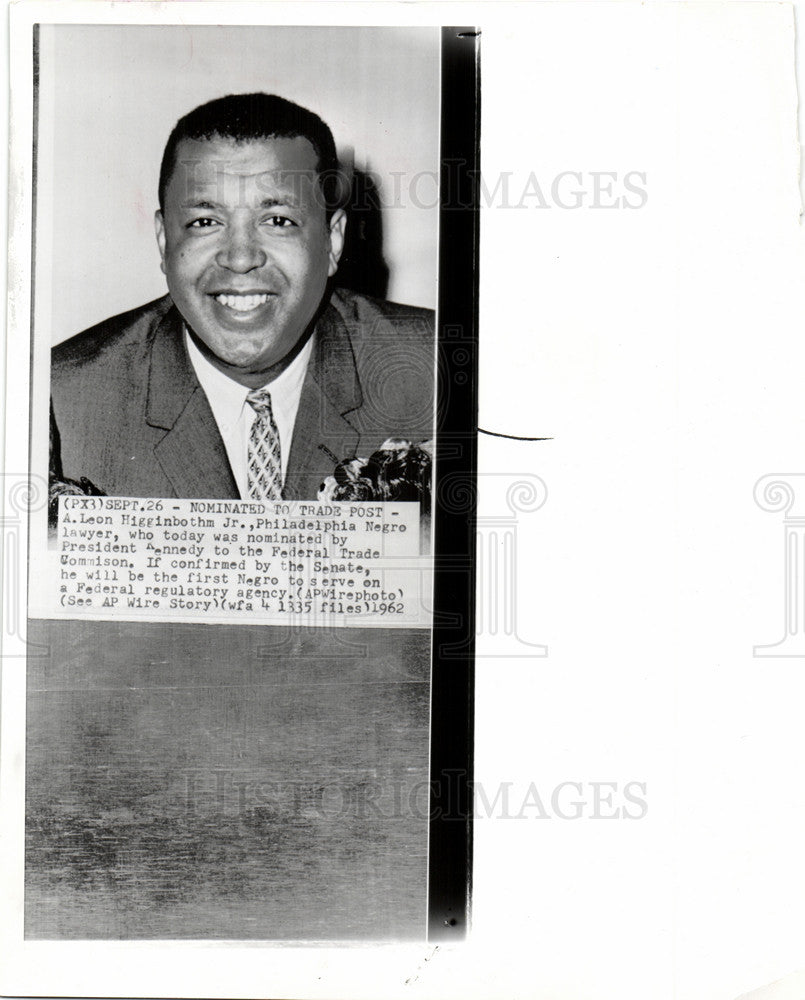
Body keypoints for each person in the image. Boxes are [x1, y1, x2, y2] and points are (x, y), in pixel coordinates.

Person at [49, 93, 435, 503]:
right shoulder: (61, 403)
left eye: (278, 220)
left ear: (333, 240)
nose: (240, 258)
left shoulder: (440, 371)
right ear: (164, 241)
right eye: (205, 221)